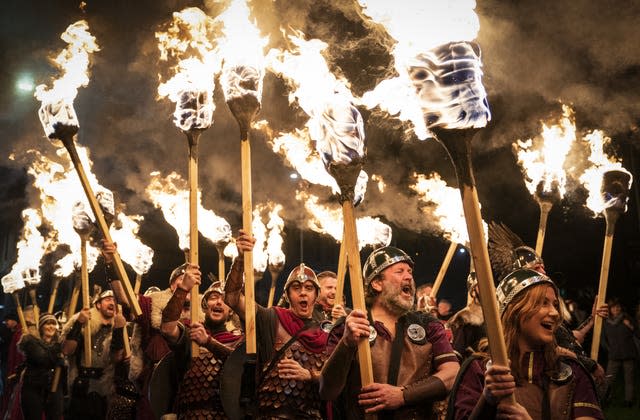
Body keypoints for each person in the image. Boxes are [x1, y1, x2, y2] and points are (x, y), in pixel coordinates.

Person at [320, 246, 459, 419]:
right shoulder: (348, 327)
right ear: (377, 283)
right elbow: (327, 391)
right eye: (399, 271)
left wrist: (403, 395)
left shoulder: (428, 325)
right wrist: (346, 344)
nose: (409, 276)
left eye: (409, 271)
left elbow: (452, 374)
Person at [449, 268, 604, 419]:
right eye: (543, 303)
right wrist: (486, 401)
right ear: (514, 311)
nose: (555, 313)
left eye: (555, 304)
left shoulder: (573, 371)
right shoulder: (478, 369)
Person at [225, 230, 331, 419]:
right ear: (288, 295)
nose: (303, 293)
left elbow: (336, 380)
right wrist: (240, 259)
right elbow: (232, 298)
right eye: (296, 288)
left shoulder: (328, 331)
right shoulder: (271, 318)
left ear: (316, 296)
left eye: (309, 288)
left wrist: (310, 375)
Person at [100, 239, 191, 419]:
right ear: (172, 285)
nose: (185, 285)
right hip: (157, 382)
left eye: (189, 282)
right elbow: (124, 297)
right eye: (181, 281)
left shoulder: (203, 313)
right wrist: (111, 263)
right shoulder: (152, 305)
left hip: (191, 382)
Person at [161, 274, 244, 419]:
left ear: (231, 310)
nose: (219, 302)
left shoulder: (239, 341)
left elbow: (239, 364)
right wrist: (183, 289)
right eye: (213, 297)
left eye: (224, 299)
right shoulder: (190, 335)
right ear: (205, 306)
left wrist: (208, 342)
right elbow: (167, 328)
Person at [62, 290, 118, 419]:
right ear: (98, 305)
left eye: (115, 300)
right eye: (108, 299)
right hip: (83, 386)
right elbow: (67, 350)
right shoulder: (85, 328)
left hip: (107, 389)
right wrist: (79, 323)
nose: (112, 302)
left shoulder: (120, 329)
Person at [17, 313, 64, 420]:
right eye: (47, 324)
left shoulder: (59, 344)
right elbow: (41, 358)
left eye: (53, 324)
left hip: (54, 389)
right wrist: (58, 353)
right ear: (41, 327)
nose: (51, 327)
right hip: (33, 388)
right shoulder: (31, 342)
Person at [602, 298, 638, 407]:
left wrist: (630, 326)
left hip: (628, 353)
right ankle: (605, 399)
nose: (617, 309)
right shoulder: (606, 322)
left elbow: (637, 332)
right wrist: (609, 348)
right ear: (610, 309)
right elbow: (603, 339)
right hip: (614, 355)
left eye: (618, 306)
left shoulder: (627, 318)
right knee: (608, 379)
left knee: (629, 379)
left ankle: (628, 401)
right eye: (614, 307)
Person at [447, 274, 487, 358]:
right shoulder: (466, 318)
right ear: (473, 292)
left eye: (487, 283)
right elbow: (458, 351)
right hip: (482, 365)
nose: (486, 287)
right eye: (480, 285)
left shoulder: (502, 310)